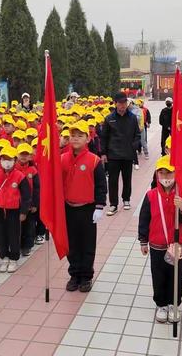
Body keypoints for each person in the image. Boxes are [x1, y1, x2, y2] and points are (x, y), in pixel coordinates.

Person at [138, 156, 182, 323]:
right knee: (159, 275)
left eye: (169, 173)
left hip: (175, 244)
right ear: (157, 175)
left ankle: (174, 303)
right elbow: (144, 219)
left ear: (175, 174)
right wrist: (143, 241)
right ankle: (161, 304)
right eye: (162, 173)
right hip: (156, 245)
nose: (166, 177)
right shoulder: (150, 196)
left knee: (174, 275)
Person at [62, 120, 107, 292]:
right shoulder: (62, 159)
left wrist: (99, 206)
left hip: (87, 209)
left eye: (80, 136)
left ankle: (86, 276)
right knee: (72, 244)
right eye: (73, 135)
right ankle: (74, 274)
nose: (75, 139)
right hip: (68, 208)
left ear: (88, 138)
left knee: (87, 244)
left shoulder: (94, 161)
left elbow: (101, 185)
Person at [0, 146, 31, 273]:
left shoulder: (20, 176)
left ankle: (14, 258)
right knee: (1, 234)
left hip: (14, 211)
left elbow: (26, 195)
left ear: (15, 160)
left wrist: (24, 211)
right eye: (4, 159)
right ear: (0, 160)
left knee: (13, 234)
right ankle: (4, 257)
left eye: (10, 159)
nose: (7, 162)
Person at [100, 92, 140, 216]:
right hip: (113, 155)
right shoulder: (109, 118)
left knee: (127, 179)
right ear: (115, 103)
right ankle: (113, 204)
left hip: (128, 154)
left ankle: (126, 199)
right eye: (120, 103)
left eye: (124, 103)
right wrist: (103, 153)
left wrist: (133, 146)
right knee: (112, 180)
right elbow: (104, 137)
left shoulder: (132, 118)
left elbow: (137, 135)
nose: (123, 105)